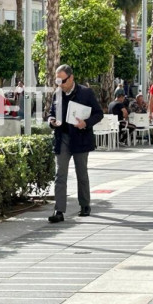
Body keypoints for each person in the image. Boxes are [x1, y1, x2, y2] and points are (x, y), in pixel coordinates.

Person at [48, 64, 103, 222]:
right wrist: (52, 121)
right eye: (57, 81)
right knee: (60, 175)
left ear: (71, 78)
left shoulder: (86, 92)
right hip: (62, 137)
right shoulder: (57, 94)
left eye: (62, 81)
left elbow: (98, 113)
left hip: (80, 137)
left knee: (82, 173)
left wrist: (85, 123)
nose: (60, 84)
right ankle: (59, 211)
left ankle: (85, 205)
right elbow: (51, 113)